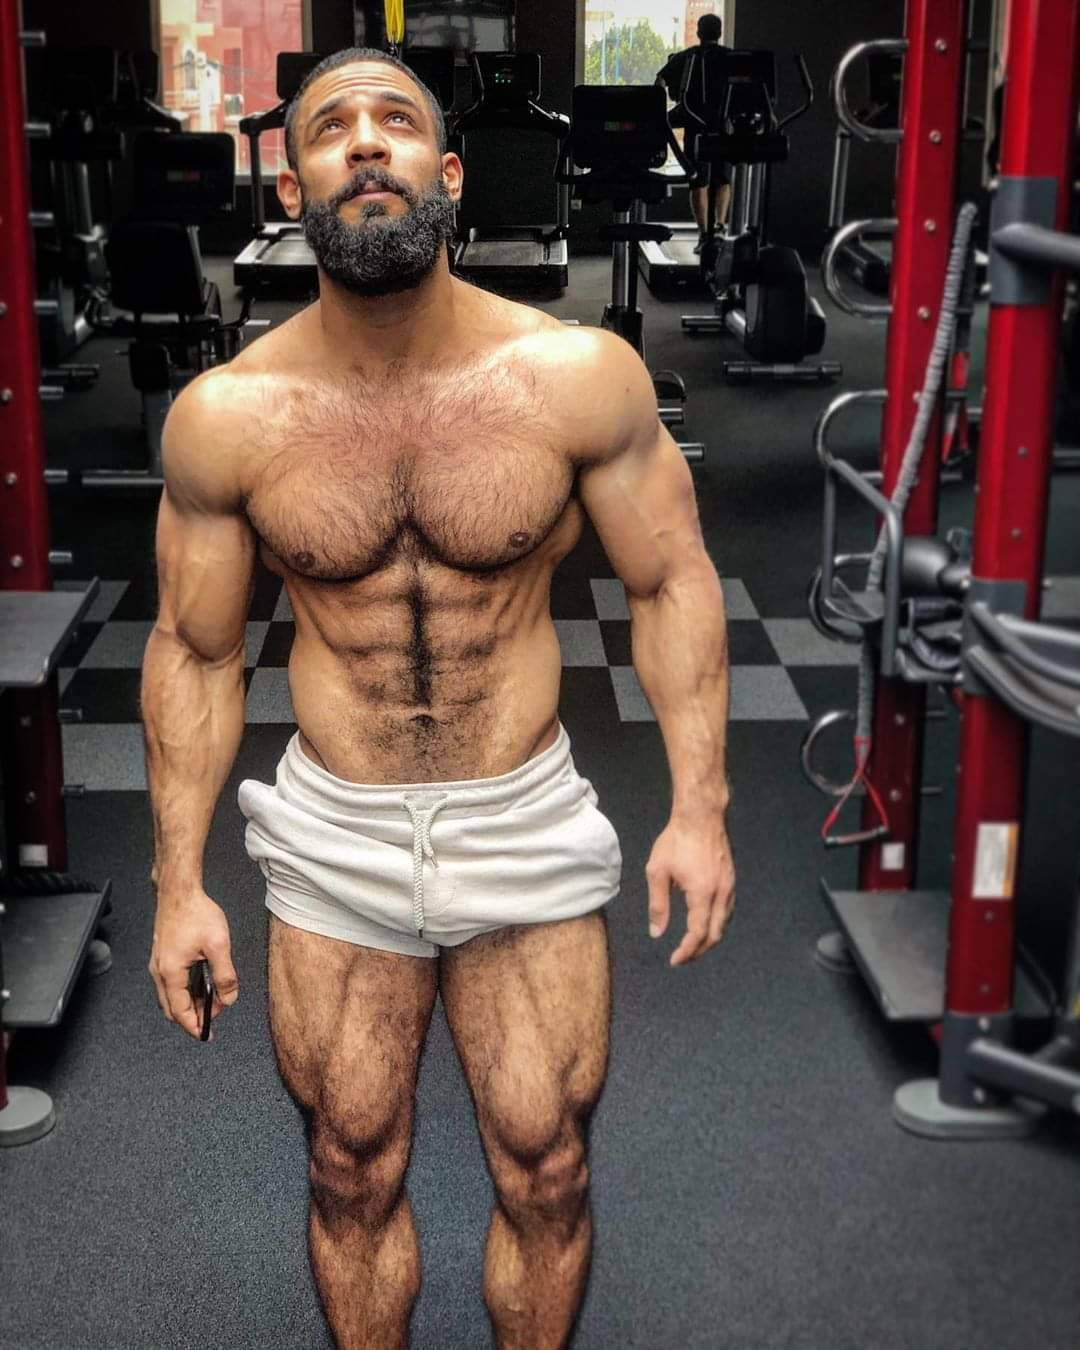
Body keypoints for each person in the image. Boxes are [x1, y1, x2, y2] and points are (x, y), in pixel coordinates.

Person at [144, 45, 735, 1350]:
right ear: (291, 190)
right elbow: (193, 652)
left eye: (395, 122)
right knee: (348, 1167)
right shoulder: (227, 417)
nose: (364, 143)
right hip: (339, 830)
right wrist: (178, 881)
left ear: (449, 173)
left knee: (549, 1165)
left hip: (519, 813)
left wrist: (700, 809)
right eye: (329, 129)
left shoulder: (576, 378)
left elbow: (673, 581)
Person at [656, 12, 732, 250]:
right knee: (722, 178)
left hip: (695, 124)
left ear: (699, 33)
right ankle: (719, 227)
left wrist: (657, 104)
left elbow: (660, 79)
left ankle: (704, 234)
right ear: (719, 33)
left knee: (698, 180)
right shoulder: (730, 57)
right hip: (723, 125)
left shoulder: (687, 56)